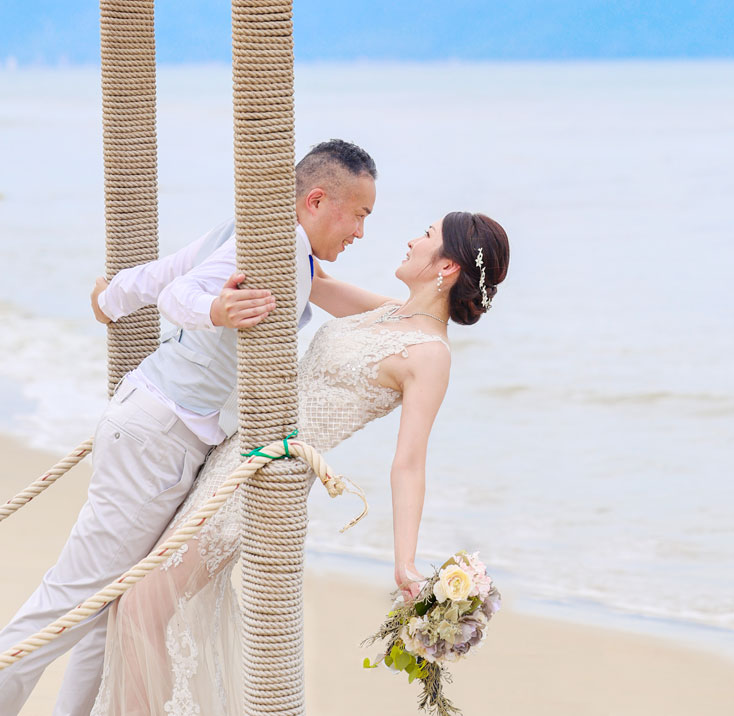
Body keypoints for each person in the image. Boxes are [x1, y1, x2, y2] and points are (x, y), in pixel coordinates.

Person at [0, 140, 377, 716]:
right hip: (156, 436)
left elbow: (167, 270)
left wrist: (110, 301)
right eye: (360, 215)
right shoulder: (278, 243)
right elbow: (180, 291)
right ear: (318, 200)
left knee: (103, 610)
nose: (361, 232)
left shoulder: (269, 241)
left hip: (156, 433)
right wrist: (215, 311)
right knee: (71, 600)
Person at [89, 211, 510, 716]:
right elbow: (309, 274)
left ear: (446, 267)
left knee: (142, 607)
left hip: (269, 478)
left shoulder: (430, 355)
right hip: (237, 451)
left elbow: (409, 463)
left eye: (426, 236)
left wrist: (405, 562)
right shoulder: (387, 313)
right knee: (140, 606)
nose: (410, 240)